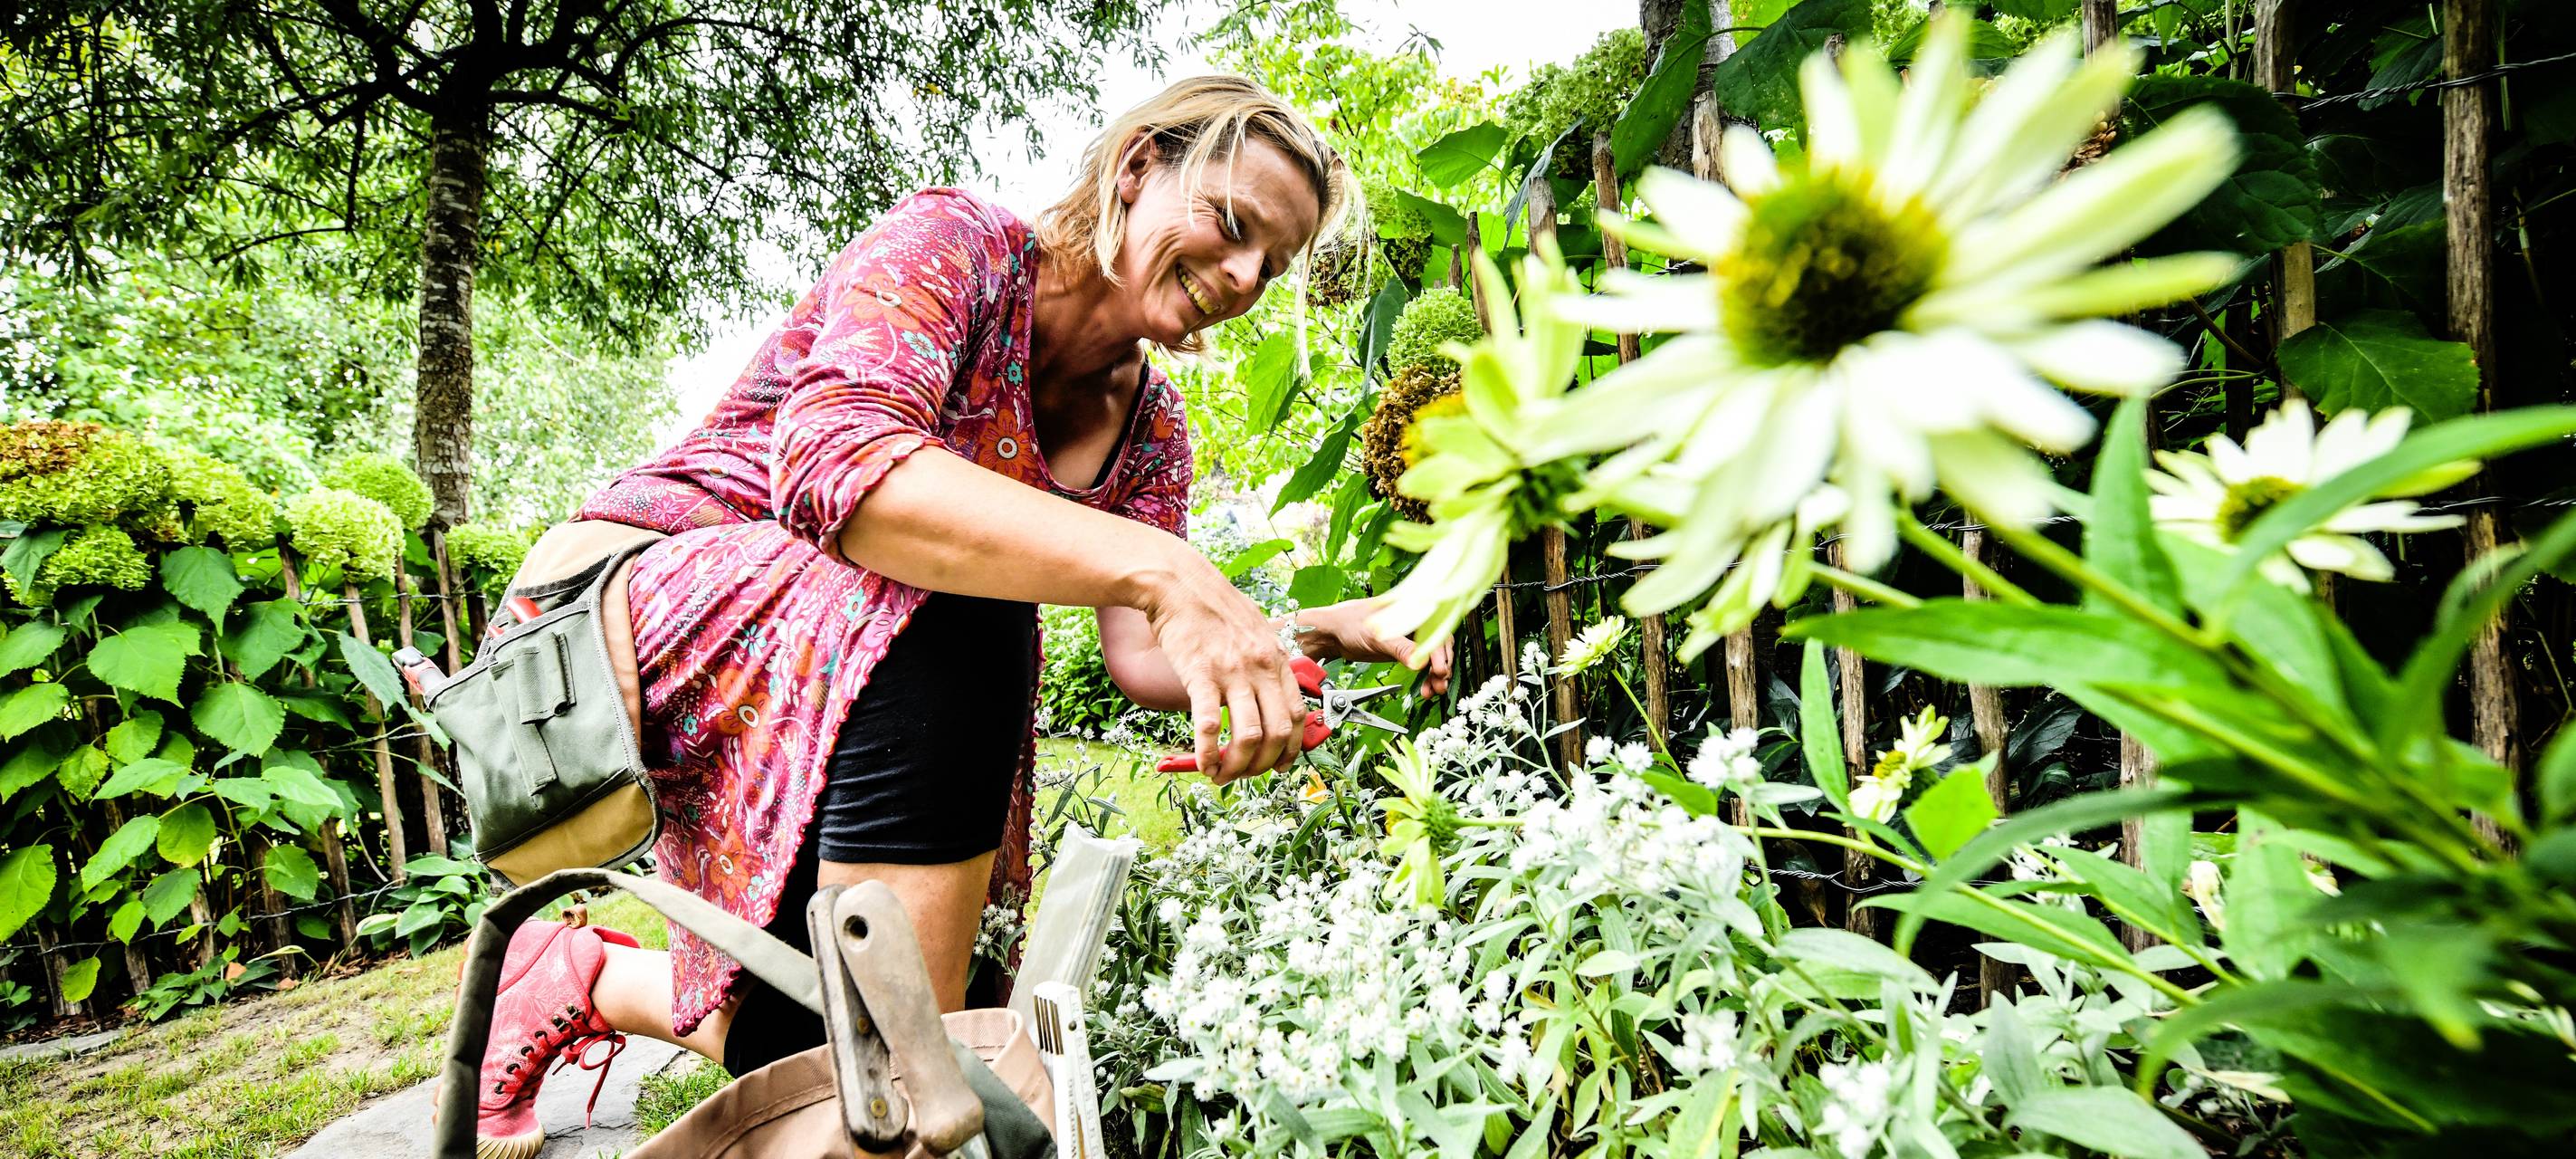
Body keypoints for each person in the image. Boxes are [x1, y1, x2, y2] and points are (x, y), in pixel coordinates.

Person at [455, 74, 1454, 1156]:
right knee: (963, 609)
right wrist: (1169, 571)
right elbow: (839, 467)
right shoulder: (958, 248)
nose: (1249, 275)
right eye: (1231, 222)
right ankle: (910, 1127)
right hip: (626, 618)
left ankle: (582, 976)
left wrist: (1281, 639)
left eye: (1277, 260)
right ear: (1136, 169)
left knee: (806, 1034)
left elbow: (1137, 655)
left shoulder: (1153, 424)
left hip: (851, 657)